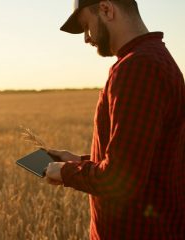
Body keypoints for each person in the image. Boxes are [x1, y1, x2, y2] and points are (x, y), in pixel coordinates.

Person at [44, 0, 185, 239]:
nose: (87, 38)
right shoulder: (153, 57)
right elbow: (142, 157)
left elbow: (121, 178)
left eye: (87, 26)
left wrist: (66, 172)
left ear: (107, 9)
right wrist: (79, 160)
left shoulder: (137, 68)